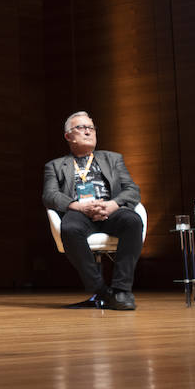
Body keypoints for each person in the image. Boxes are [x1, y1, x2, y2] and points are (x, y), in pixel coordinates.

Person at [41, 112, 145, 310]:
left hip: (111, 210)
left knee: (132, 221)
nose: (88, 131)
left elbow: (132, 190)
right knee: (69, 228)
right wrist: (78, 206)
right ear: (68, 136)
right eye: (81, 127)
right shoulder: (54, 166)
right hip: (79, 211)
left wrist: (114, 204)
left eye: (91, 127)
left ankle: (122, 290)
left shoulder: (113, 159)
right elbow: (50, 195)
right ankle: (101, 290)